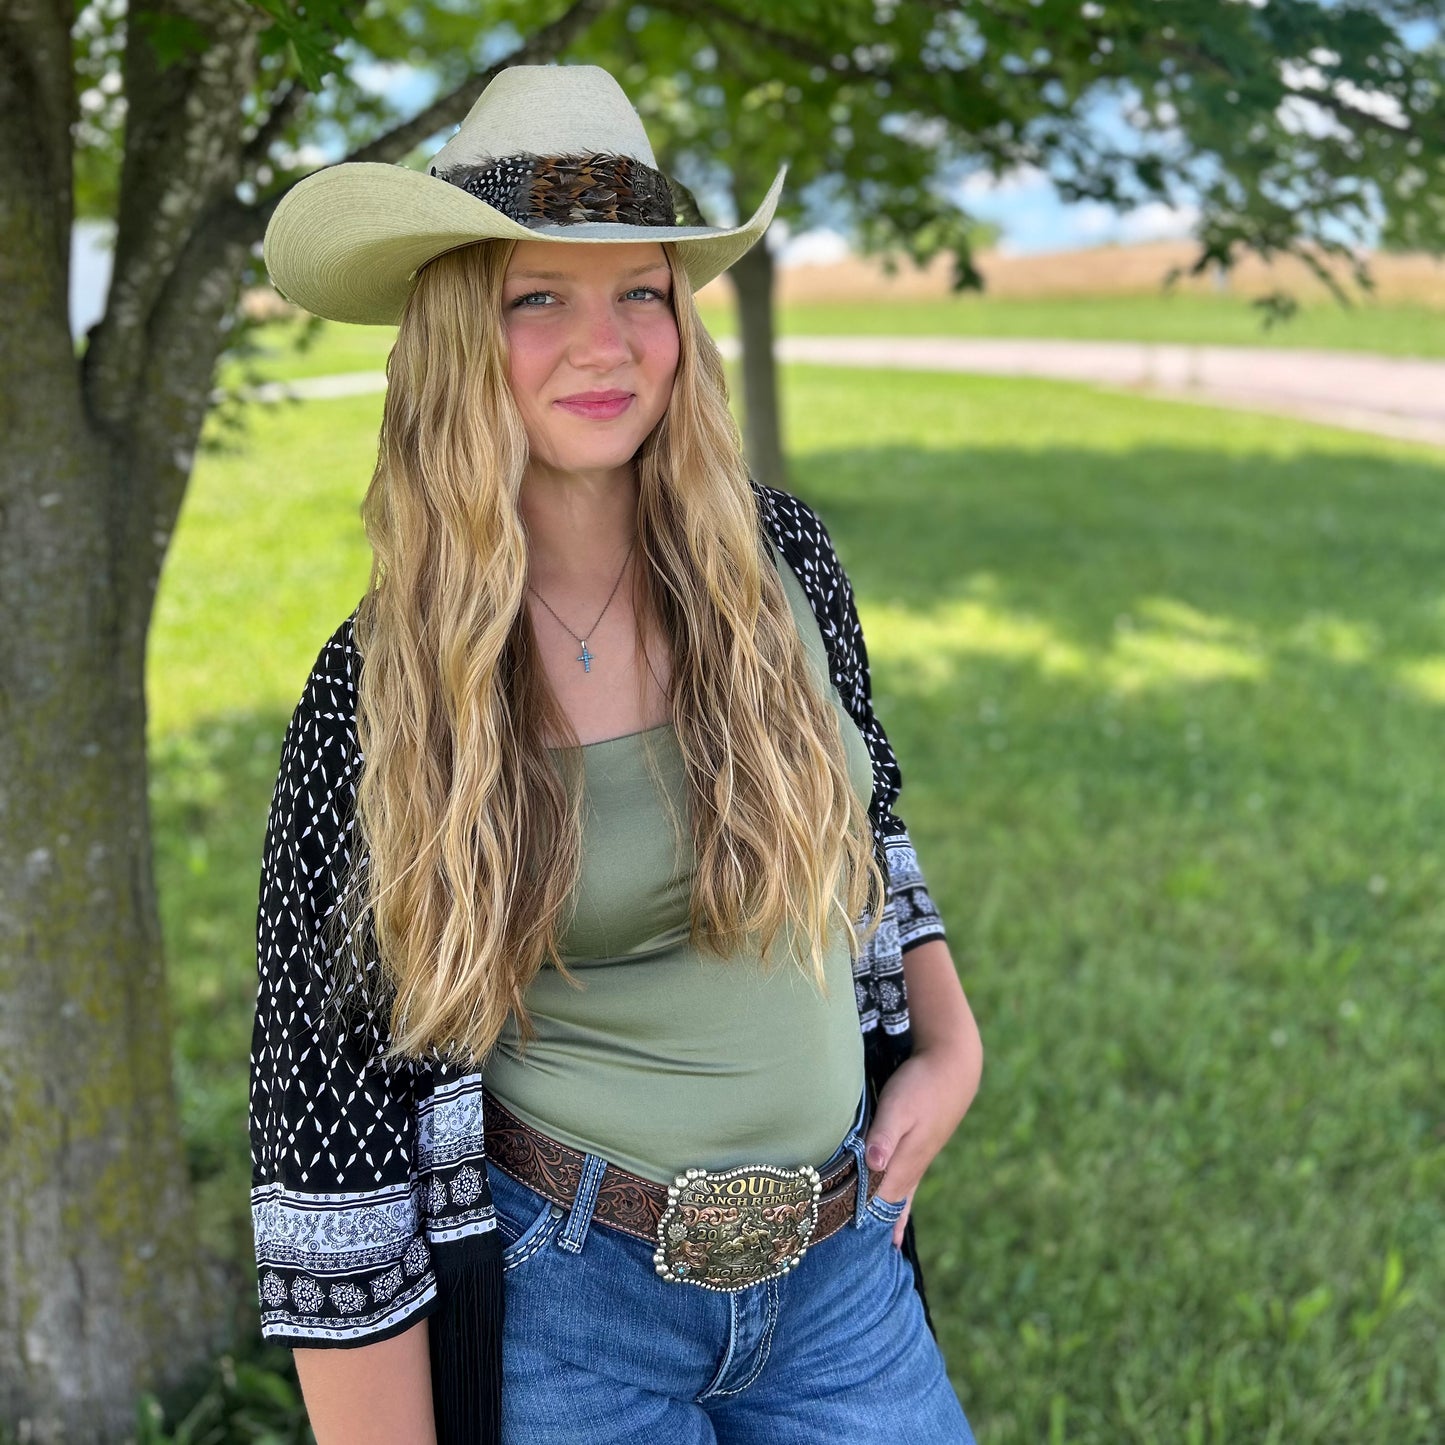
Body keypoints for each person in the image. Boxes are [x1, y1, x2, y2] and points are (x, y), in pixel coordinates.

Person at [251, 61, 983, 1445]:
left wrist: (948, 1040)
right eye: (540, 297)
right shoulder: (380, 694)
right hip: (568, 1304)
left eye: (639, 289)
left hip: (836, 1274)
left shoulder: (784, 566)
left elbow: (867, 817)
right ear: (462, 330)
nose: (607, 342)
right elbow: (323, 1135)